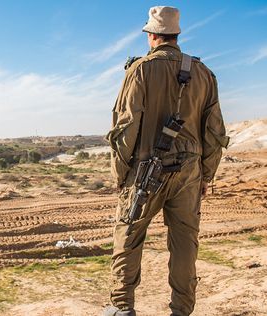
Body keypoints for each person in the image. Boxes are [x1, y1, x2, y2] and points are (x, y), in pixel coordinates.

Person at [102, 6, 229, 316]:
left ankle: (121, 308)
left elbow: (125, 129)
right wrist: (205, 177)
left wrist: (120, 176)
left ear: (152, 36)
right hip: (189, 174)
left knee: (128, 238)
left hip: (146, 171)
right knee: (185, 245)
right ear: (175, 35)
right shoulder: (204, 73)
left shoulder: (140, 70)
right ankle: (182, 311)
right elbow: (214, 133)